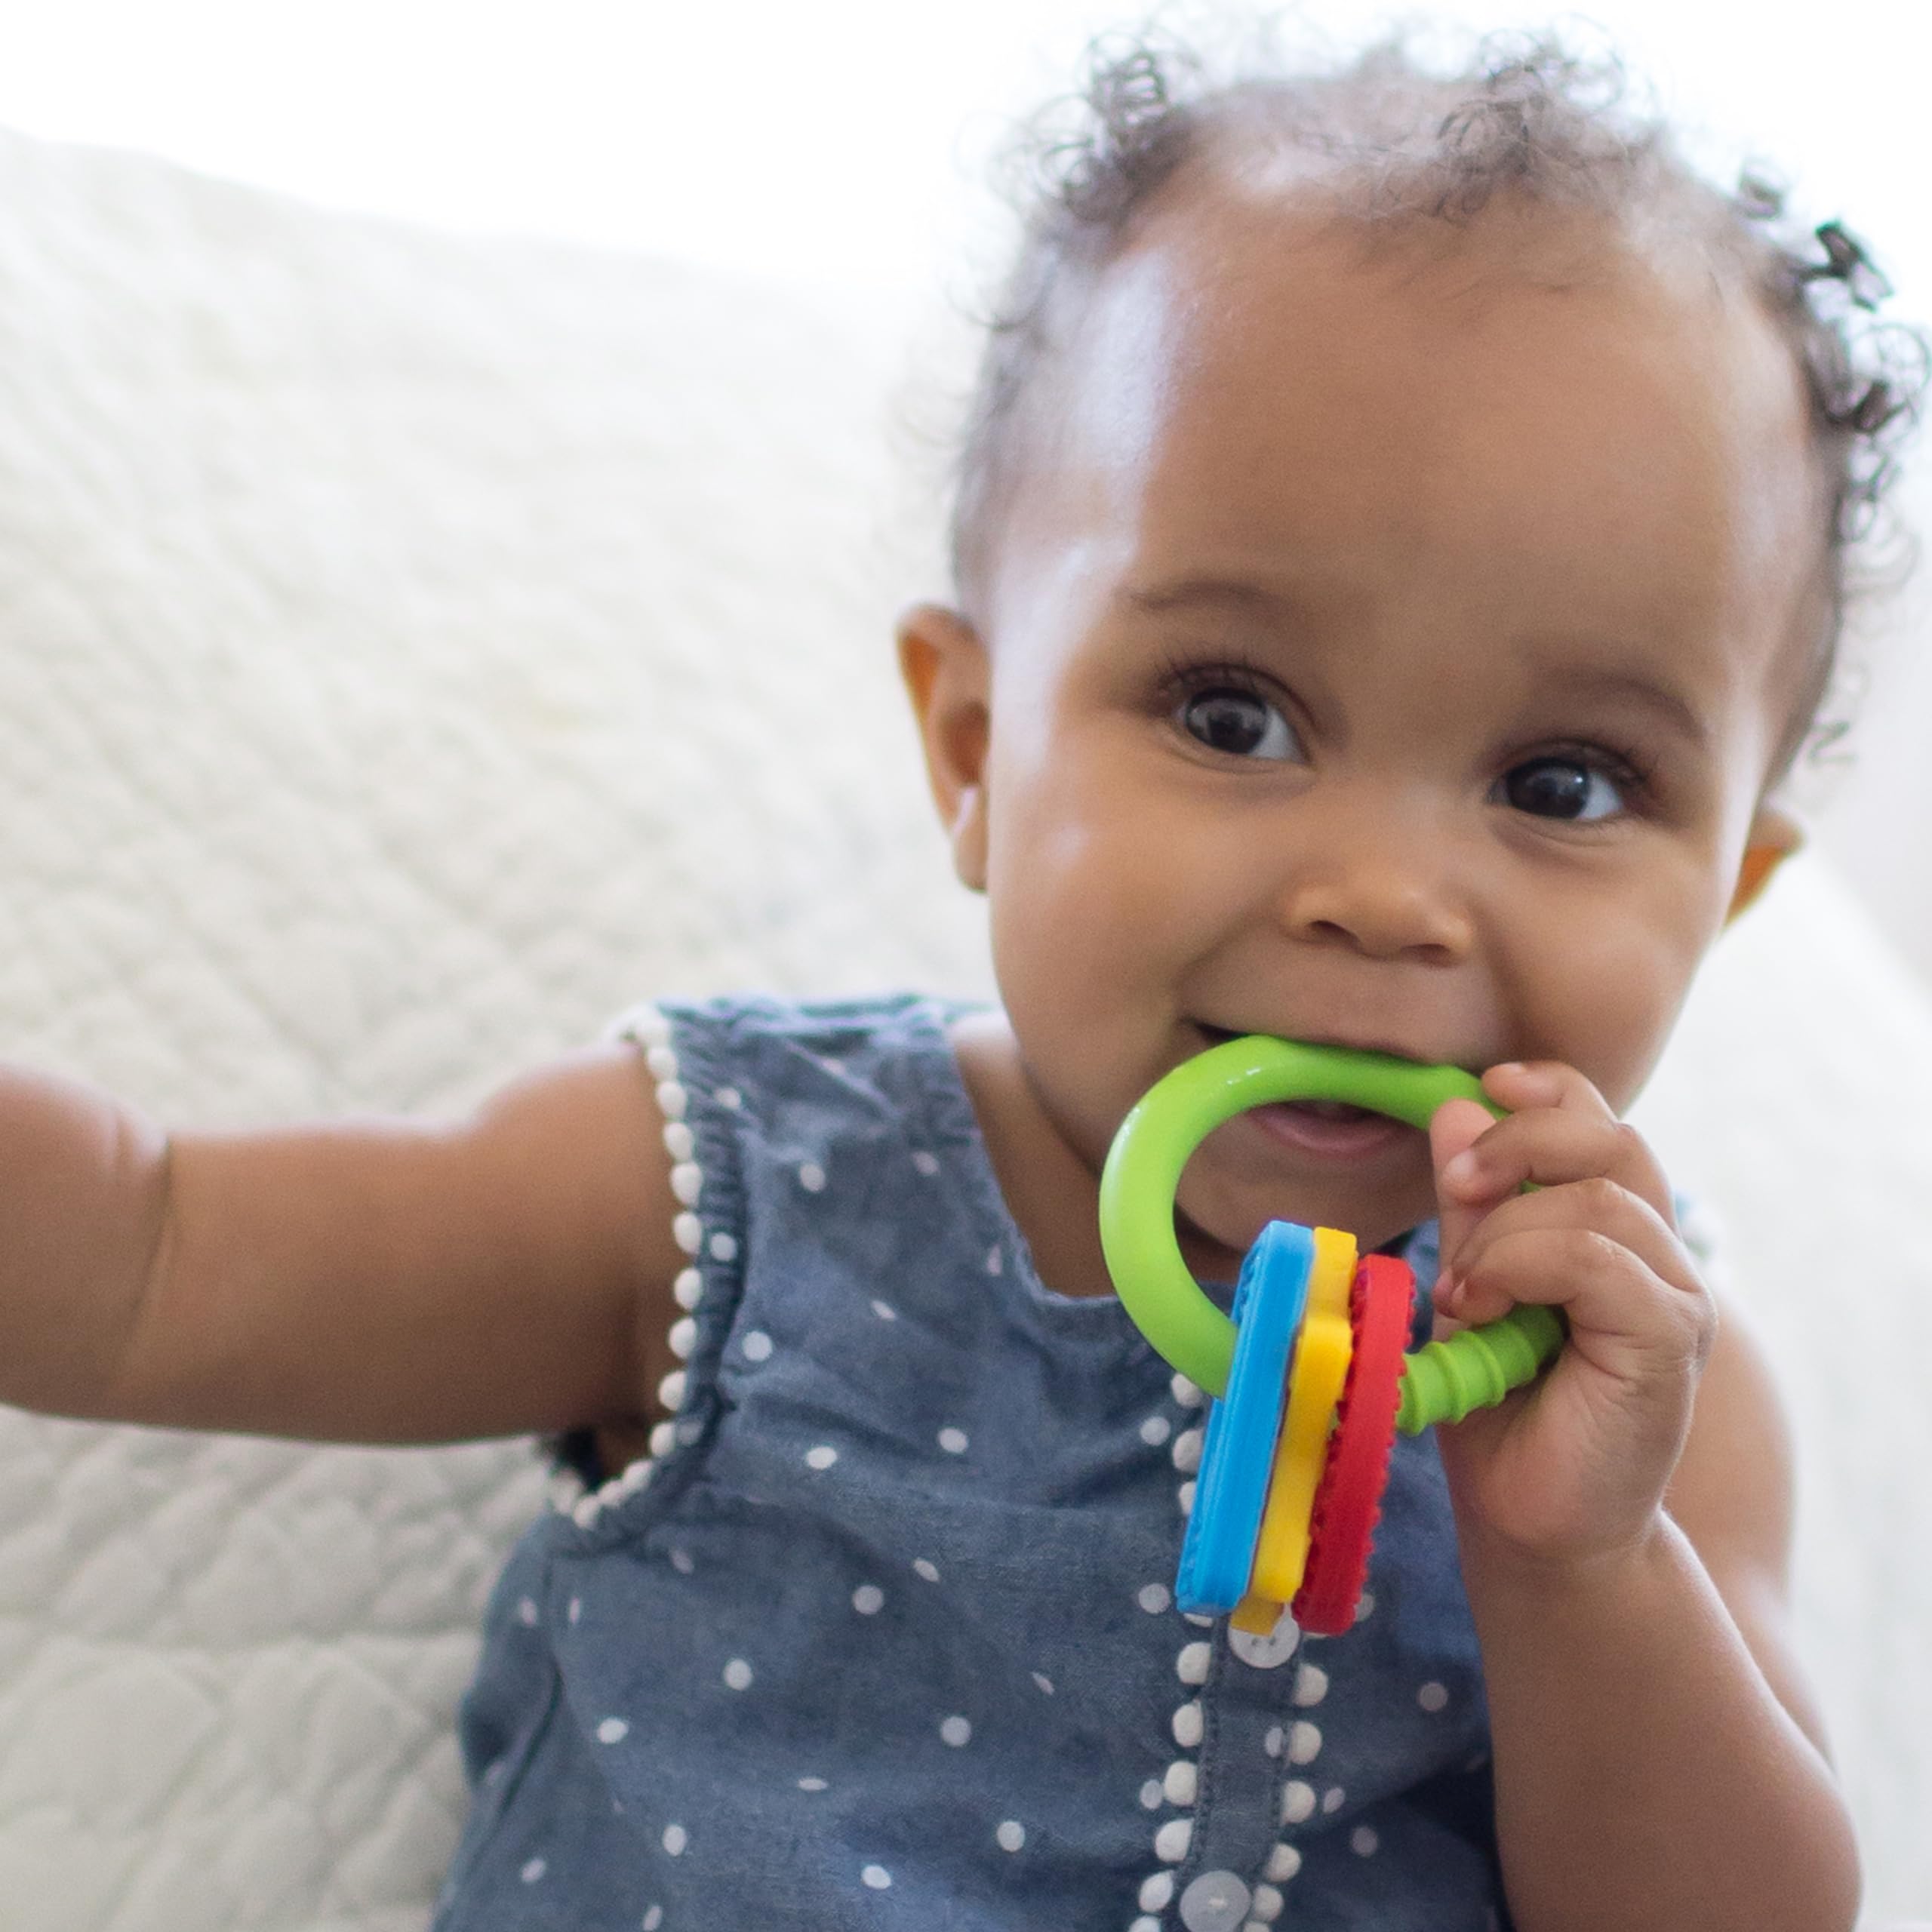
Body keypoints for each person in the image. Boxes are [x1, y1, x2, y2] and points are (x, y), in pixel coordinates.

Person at [1, 23, 1921, 1932]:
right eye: (1232, 714)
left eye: (1561, 782)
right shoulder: (734, 1189)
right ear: (976, 748)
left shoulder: (1642, 1380)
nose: (1384, 897)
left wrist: (1579, 1567)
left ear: (1726, 892)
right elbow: (156, 1254)